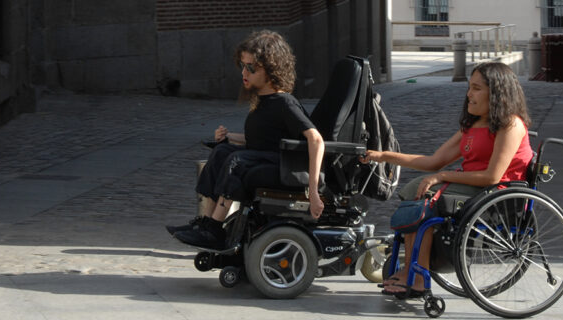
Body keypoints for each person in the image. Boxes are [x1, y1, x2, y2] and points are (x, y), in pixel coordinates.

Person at [361, 62, 534, 297]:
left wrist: (441, 176)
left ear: (497, 92)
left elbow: (492, 176)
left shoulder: (511, 125)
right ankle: (411, 269)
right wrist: (384, 156)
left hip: (496, 194)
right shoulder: (473, 126)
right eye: (469, 88)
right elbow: (434, 161)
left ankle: (419, 277)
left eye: (476, 88)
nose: (469, 95)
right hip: (471, 188)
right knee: (416, 193)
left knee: (427, 201)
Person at [168, 30, 325, 250]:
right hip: (267, 158)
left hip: (284, 166)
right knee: (222, 151)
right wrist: (228, 137)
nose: (245, 72)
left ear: (271, 70)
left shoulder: (285, 103)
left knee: (237, 161)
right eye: (243, 66)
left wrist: (314, 191)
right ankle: (205, 224)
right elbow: (260, 141)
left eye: (251, 67)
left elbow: (316, 140)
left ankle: (215, 228)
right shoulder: (263, 101)